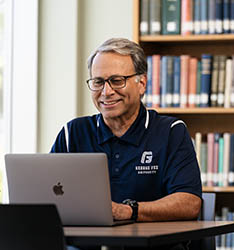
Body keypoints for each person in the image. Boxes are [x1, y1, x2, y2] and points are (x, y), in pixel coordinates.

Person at [51, 38, 202, 249]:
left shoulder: (171, 132)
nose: (106, 92)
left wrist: (130, 211)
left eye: (117, 80)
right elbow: (47, 196)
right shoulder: (72, 133)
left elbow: (190, 203)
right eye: (98, 82)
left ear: (142, 84)